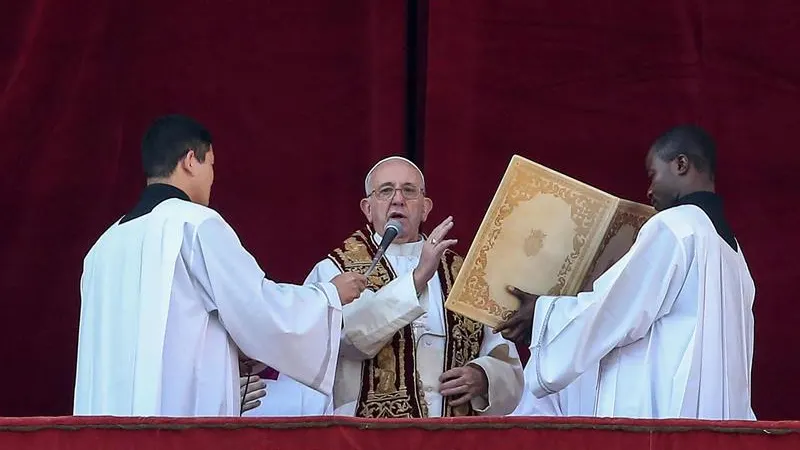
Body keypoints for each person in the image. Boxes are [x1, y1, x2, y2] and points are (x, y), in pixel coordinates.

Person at [73, 114, 367, 416]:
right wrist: (327, 296)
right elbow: (257, 307)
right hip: (175, 421)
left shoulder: (102, 248)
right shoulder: (195, 224)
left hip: (107, 424)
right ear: (190, 160)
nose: (212, 177)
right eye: (210, 165)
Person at [495, 125, 756, 420]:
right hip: (714, 419)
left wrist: (544, 314)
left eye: (652, 175)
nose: (648, 190)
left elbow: (616, 309)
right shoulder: (734, 252)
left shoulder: (674, 227)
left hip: (664, 415)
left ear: (680, 164)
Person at [251, 156, 524, 418]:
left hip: (453, 436)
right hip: (368, 437)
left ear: (426, 207)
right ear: (367, 209)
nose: (398, 199)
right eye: (385, 191)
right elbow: (346, 340)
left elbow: (505, 359)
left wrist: (484, 377)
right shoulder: (334, 270)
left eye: (409, 191)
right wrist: (417, 279)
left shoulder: (465, 275)